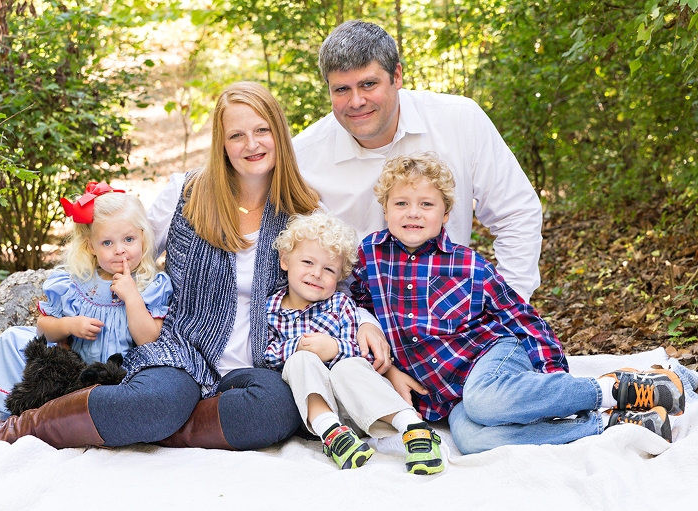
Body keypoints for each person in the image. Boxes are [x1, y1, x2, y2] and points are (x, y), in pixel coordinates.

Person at [0, 81, 321, 451]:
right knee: (155, 401)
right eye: (237, 135)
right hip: (179, 353)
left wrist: (366, 325)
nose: (251, 144)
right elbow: (125, 247)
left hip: (261, 363)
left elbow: (335, 286)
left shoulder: (305, 211)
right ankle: (13, 429)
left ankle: (157, 424)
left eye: (262, 130)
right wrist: (76, 298)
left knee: (276, 409)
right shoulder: (186, 194)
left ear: (280, 136)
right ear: (221, 144)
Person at [350, 152, 686, 455]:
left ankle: (614, 389)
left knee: (483, 402)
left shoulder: (468, 266)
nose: (413, 213)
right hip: (447, 392)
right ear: (384, 208)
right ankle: (619, 423)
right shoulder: (369, 255)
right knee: (471, 440)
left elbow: (522, 319)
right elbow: (353, 311)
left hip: (492, 353)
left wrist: (555, 380)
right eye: (401, 203)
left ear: (446, 213)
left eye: (426, 204)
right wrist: (391, 370)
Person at [292, 20, 543, 307]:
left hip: (452, 314)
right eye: (341, 90)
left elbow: (516, 213)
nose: (356, 101)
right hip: (353, 326)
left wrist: (507, 305)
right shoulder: (303, 157)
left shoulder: (459, 120)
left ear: (396, 75)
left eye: (368, 84)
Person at [264, 211, 442, 474]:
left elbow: (363, 357)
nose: (316, 274)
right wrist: (297, 347)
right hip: (313, 411)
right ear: (285, 260)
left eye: (328, 269)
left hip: (360, 407)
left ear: (339, 276)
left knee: (348, 366)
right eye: (308, 262)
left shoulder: (341, 304)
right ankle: (334, 437)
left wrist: (335, 349)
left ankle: (414, 428)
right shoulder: (270, 309)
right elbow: (264, 355)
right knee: (300, 360)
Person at [0, 182, 172, 418]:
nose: (120, 250)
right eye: (107, 243)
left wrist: (132, 296)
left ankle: (67, 417)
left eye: (129, 239)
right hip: (71, 372)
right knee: (11, 339)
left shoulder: (150, 285)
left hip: (119, 377)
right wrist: (69, 325)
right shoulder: (76, 283)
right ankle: (3, 416)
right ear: (91, 246)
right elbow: (44, 329)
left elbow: (150, 340)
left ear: (143, 237)